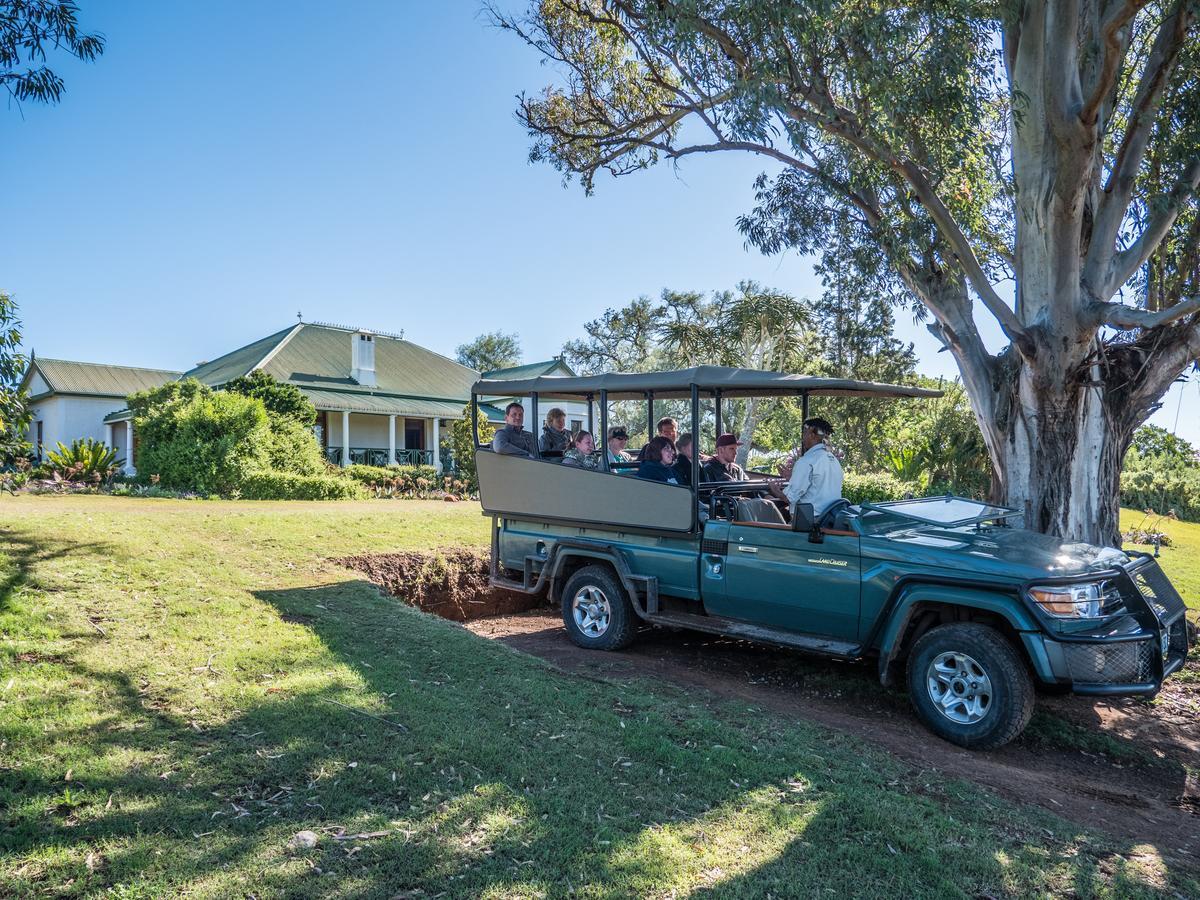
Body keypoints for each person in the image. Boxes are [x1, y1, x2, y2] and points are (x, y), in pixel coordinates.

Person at [769, 417, 844, 517]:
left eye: (804, 433)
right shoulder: (833, 460)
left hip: (810, 522)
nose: (802, 437)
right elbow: (818, 484)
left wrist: (775, 490)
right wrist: (794, 476)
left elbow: (789, 498)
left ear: (812, 435)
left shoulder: (806, 461)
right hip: (830, 518)